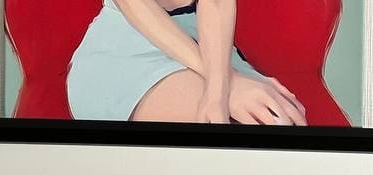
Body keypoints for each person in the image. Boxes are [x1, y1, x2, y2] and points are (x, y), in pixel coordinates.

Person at [66, 0, 308, 126]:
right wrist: (225, 86)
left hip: (204, 39)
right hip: (127, 45)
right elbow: (135, 5)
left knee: (281, 118)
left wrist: (223, 82)